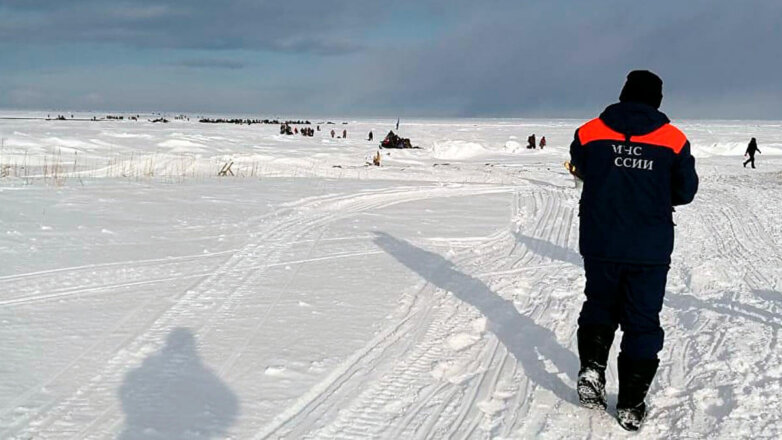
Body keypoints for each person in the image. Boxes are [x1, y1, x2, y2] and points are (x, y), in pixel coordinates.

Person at [569, 70, 698, 431]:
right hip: (648, 248)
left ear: (624, 95)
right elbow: (685, 191)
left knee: (599, 305)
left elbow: (580, 166)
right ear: (657, 99)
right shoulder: (673, 139)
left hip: (600, 241)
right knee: (642, 322)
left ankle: (592, 368)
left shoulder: (590, 131)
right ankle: (629, 403)